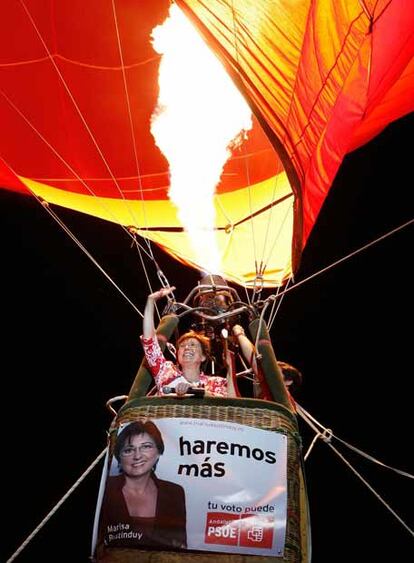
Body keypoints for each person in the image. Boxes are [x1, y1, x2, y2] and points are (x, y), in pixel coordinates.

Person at [99, 420, 187, 550]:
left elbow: (181, 546)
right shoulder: (106, 488)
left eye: (146, 447)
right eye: (129, 450)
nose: (138, 456)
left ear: (158, 452)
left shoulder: (175, 493)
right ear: (119, 456)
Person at [141, 286, 227, 397]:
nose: (187, 348)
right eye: (182, 346)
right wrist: (150, 301)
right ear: (177, 355)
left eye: (193, 345)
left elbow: (227, 403)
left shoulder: (216, 383)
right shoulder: (166, 372)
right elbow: (150, 342)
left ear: (203, 357)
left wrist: (195, 392)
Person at [232, 323, 302, 410]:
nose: (270, 370)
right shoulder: (272, 395)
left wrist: (239, 334)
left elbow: (254, 359)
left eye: (277, 369)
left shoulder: (278, 392)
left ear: (289, 382)